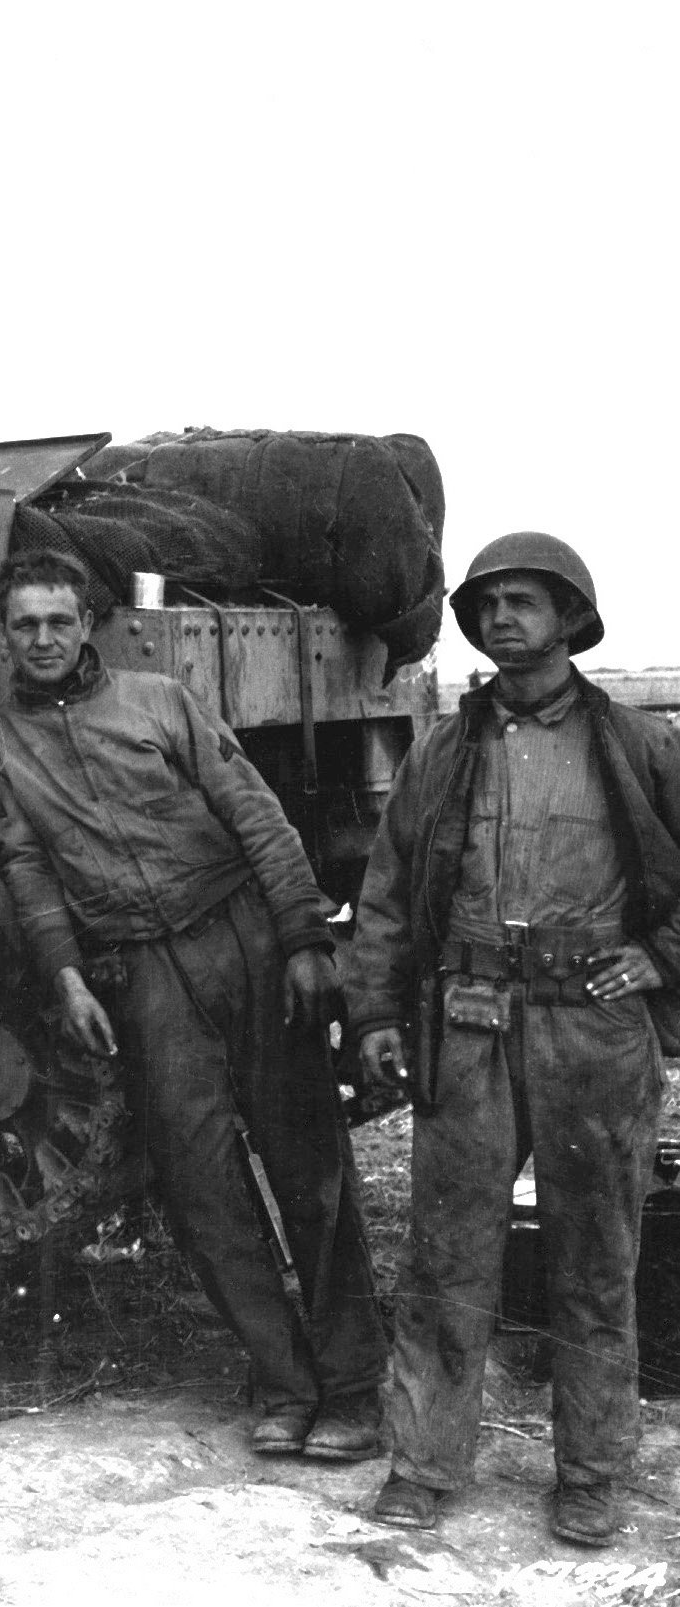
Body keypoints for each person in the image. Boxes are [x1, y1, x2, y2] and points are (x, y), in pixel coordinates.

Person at [0, 547, 386, 1462]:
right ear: (3, 636)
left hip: (245, 935)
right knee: (199, 1185)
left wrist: (305, 937)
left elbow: (254, 811)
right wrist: (67, 976)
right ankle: (282, 1381)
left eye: (57, 620)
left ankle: (352, 1387)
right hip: (140, 971)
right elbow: (27, 870)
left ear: (87, 626)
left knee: (306, 1160)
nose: (41, 638)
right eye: (23, 624)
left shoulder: (157, 700)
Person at [350, 534, 680, 1546]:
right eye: (488, 602)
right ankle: (425, 1460)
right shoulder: (447, 750)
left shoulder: (636, 743)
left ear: (572, 617)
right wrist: (372, 1010)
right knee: (447, 1259)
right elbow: (391, 894)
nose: (503, 618)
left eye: (526, 601)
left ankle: (588, 1471)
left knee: (595, 1257)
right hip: (472, 1021)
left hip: (594, 1031)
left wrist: (658, 955)